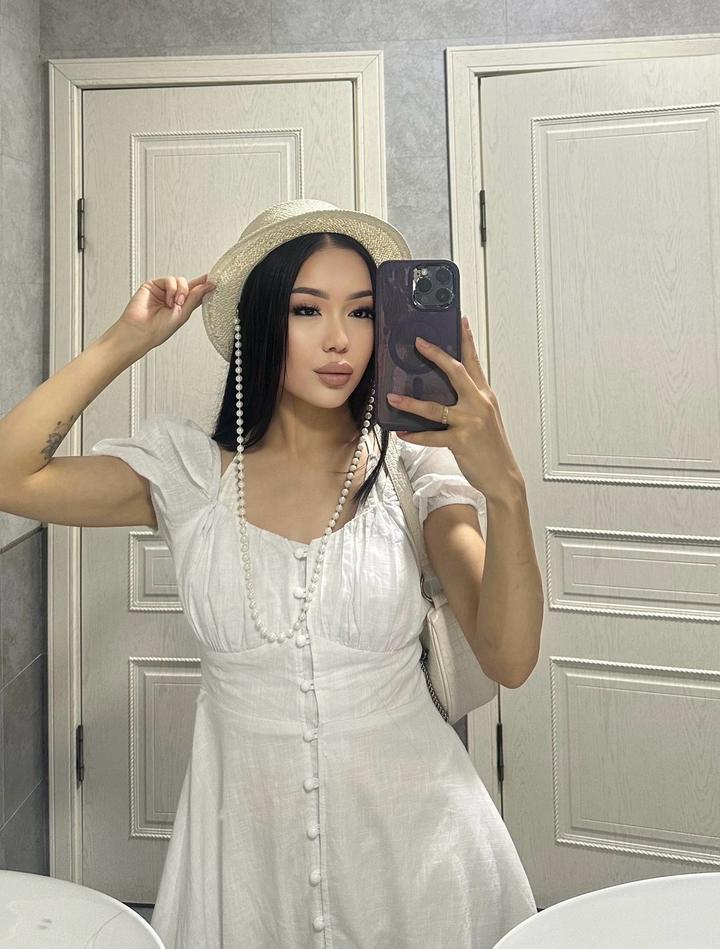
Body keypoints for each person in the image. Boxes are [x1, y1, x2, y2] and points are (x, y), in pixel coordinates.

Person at [0, 199, 538, 947]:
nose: (339, 338)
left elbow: (509, 658)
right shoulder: (189, 474)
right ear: (259, 321)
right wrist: (124, 341)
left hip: (422, 858)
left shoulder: (414, 471)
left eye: (360, 311)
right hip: (245, 868)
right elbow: (12, 476)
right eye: (306, 309)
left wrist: (505, 489)